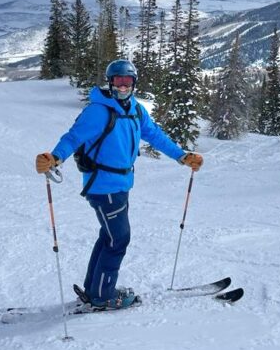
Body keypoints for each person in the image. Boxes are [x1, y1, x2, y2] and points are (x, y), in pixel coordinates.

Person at [35, 59, 204, 310]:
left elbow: (155, 135)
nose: (123, 87)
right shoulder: (98, 111)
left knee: (109, 236)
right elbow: (73, 137)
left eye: (127, 82)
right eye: (118, 81)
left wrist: (182, 155)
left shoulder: (135, 110)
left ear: (134, 83)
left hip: (121, 184)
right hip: (103, 186)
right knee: (119, 239)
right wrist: (55, 157)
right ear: (110, 82)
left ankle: (95, 289)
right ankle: (103, 296)